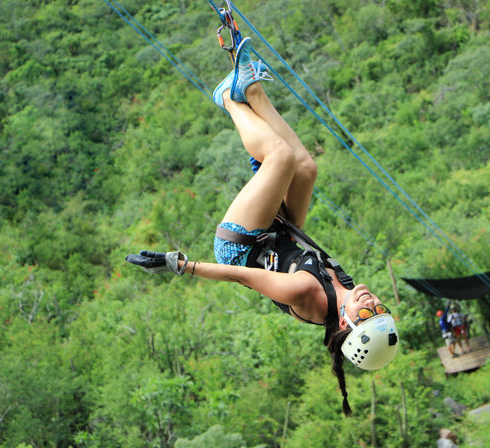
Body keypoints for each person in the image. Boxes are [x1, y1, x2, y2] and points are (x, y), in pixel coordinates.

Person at [125, 37, 399, 417]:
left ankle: (228, 96)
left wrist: (182, 265)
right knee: (306, 168)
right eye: (381, 308)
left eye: (368, 313)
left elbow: (242, 276)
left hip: (242, 243)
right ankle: (250, 87)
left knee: (281, 157)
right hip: (280, 233)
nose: (372, 302)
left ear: (345, 323)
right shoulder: (347, 293)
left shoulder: (308, 293)